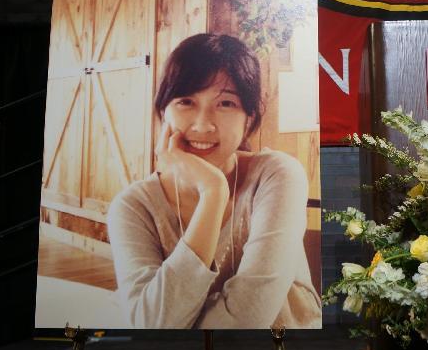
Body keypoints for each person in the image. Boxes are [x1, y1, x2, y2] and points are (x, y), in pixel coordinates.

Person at [107, 33, 321, 329]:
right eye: (186, 101)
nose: (203, 124)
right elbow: (152, 325)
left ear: (249, 117)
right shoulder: (133, 207)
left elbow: (249, 318)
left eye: (226, 103)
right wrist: (213, 193)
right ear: (162, 113)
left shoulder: (278, 175)